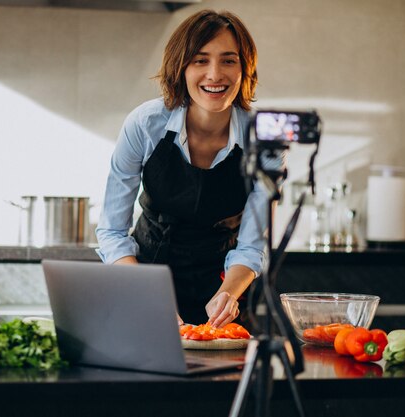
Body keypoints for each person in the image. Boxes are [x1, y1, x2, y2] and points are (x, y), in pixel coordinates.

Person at [96, 9, 281, 328]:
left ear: (244, 69)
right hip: (145, 278)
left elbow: (252, 245)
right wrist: (147, 298)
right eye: (200, 60)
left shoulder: (264, 138)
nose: (215, 74)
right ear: (180, 67)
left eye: (228, 60)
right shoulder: (145, 124)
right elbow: (112, 232)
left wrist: (228, 296)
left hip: (226, 287)